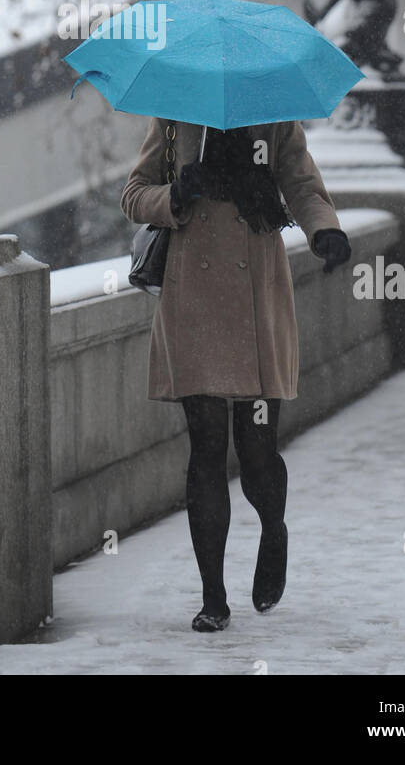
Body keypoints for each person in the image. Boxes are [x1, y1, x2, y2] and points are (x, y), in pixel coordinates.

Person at [121, 117, 351, 632]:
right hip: (193, 301)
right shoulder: (176, 116)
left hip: (257, 293)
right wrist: (175, 195)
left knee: (256, 449)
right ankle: (213, 598)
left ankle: (274, 529)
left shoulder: (274, 116)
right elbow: (134, 194)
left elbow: (301, 182)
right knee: (205, 447)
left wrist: (325, 230)